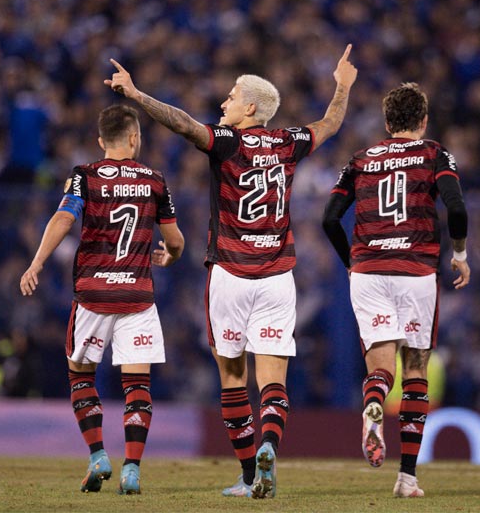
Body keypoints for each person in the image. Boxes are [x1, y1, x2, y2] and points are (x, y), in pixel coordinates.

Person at [105, 45, 356, 499]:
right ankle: (268, 448)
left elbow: (181, 124)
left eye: (231, 96)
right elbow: (331, 123)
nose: (224, 103)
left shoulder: (227, 142)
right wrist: (342, 86)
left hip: (230, 274)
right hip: (279, 277)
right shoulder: (289, 142)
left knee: (233, 378)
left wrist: (138, 96)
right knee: (273, 380)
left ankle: (247, 475)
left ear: (251, 108)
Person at [19, 104, 184, 495]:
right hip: (137, 296)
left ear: (100, 141)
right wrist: (169, 256)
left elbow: (63, 219)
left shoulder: (84, 176)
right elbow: (175, 240)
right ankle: (132, 469)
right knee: (137, 384)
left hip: (93, 294)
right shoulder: (155, 180)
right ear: (134, 138)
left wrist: (37, 262)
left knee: (80, 375)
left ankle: (97, 455)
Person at [321, 83, 469, 498]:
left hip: (368, 269)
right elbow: (456, 207)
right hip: (416, 269)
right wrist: (460, 254)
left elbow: (330, 220)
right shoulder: (433, 153)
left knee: (380, 367)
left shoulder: (361, 159)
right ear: (423, 121)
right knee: (416, 367)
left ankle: (373, 403)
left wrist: (352, 264)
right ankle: (406, 477)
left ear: (387, 123)